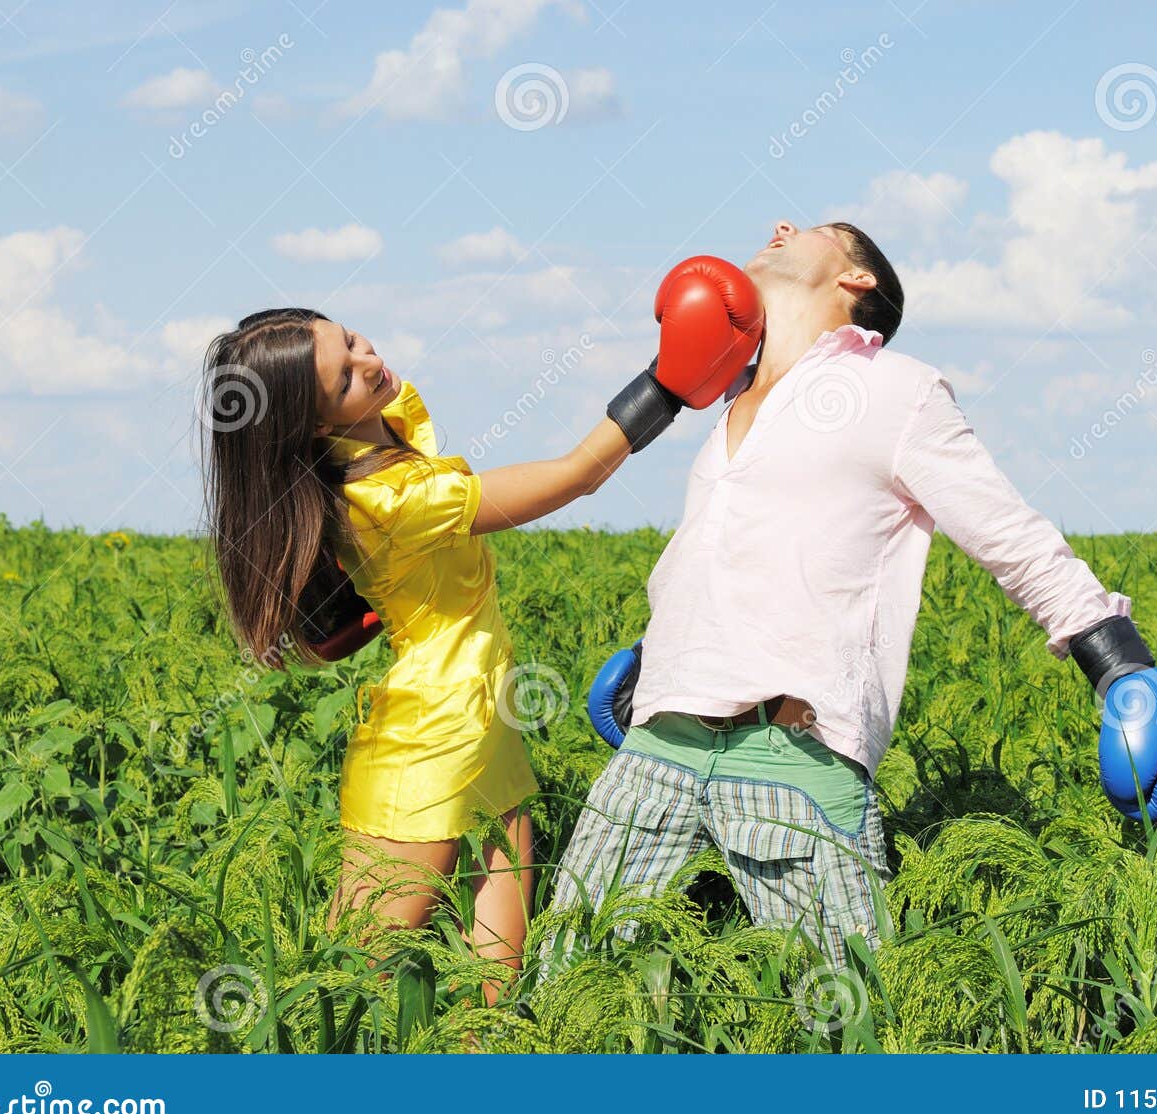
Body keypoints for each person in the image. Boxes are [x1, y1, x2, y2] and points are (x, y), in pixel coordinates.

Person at [549, 220, 1157, 968]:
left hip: (793, 762)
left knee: (844, 1030)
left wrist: (1120, 663)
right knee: (567, 995)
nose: (778, 228)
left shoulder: (897, 392)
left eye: (812, 228)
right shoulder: (726, 406)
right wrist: (662, 657)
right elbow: (733, 550)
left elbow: (1010, 537)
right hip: (655, 753)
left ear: (856, 281)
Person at [198, 260, 761, 998]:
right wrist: (665, 385)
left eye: (356, 341)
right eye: (344, 378)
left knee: (499, 981)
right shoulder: (394, 497)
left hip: (483, 721)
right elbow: (576, 476)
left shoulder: (374, 444)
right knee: (344, 983)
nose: (370, 362)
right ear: (313, 423)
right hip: (430, 739)